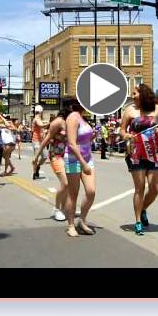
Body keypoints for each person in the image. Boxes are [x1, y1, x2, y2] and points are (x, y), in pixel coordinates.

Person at [120, 83, 158, 236]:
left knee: (155, 188)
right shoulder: (129, 110)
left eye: (134, 93)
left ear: (143, 94)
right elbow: (122, 130)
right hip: (136, 153)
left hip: (154, 152)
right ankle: (138, 221)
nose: (132, 96)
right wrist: (126, 135)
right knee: (139, 188)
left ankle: (143, 209)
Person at [64, 98, 96, 237]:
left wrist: (93, 135)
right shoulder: (72, 117)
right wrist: (82, 163)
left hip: (87, 158)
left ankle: (82, 220)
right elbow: (71, 143)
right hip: (73, 159)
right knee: (73, 193)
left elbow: (84, 139)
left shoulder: (82, 118)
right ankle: (71, 225)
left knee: (91, 191)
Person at [33, 103, 71, 222]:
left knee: (68, 185)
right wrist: (36, 155)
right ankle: (56, 209)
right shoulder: (58, 122)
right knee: (64, 183)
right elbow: (47, 139)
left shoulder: (69, 122)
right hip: (56, 155)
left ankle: (64, 208)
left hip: (67, 156)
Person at [31, 105, 49, 179]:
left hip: (42, 141)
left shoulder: (39, 118)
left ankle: (37, 166)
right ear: (41, 112)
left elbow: (41, 126)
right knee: (36, 157)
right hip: (36, 141)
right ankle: (35, 173)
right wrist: (49, 123)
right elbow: (41, 125)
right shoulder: (36, 118)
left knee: (44, 156)